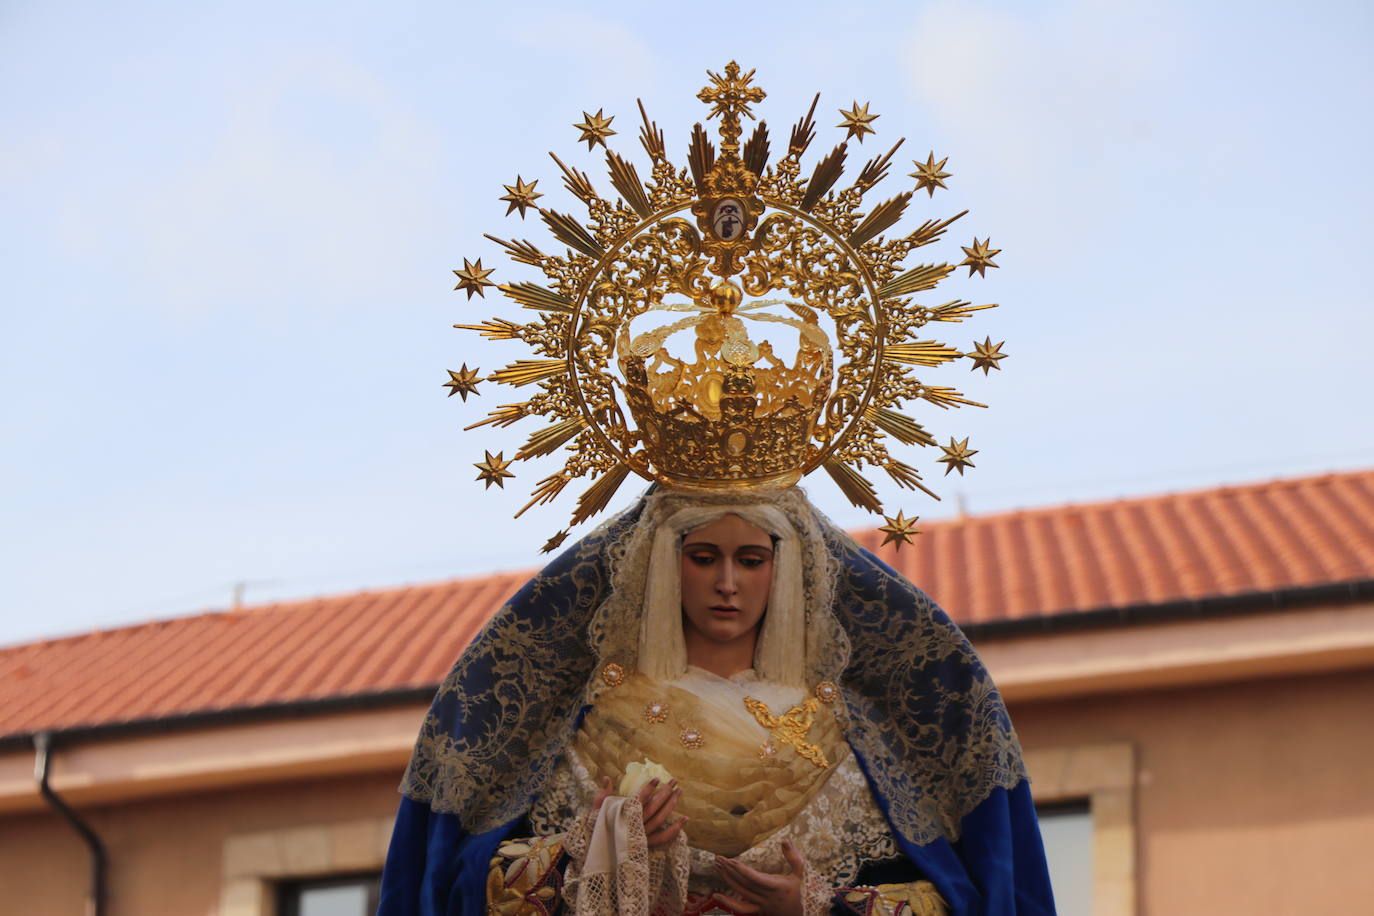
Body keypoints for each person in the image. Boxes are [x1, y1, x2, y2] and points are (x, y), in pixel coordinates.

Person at [377, 486, 1055, 914]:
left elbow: (956, 899)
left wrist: (816, 907)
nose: (727, 583)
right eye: (703, 557)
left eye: (751, 560)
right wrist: (600, 850)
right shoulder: (586, 726)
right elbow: (471, 891)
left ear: (784, 570)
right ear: (659, 563)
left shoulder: (847, 735)